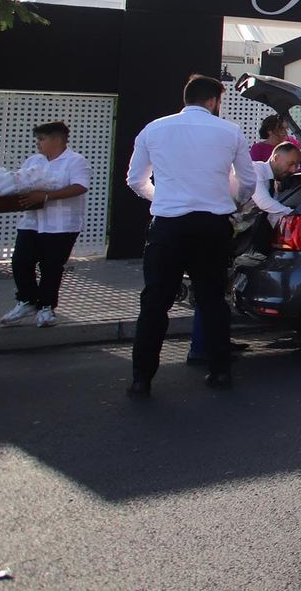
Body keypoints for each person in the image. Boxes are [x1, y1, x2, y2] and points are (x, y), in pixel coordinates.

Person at [125, 74, 254, 396]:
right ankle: (220, 371)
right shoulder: (230, 131)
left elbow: (135, 179)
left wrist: (164, 198)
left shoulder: (154, 129)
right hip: (212, 225)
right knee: (212, 301)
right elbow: (248, 182)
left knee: (155, 302)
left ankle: (142, 378)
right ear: (212, 101)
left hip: (167, 224)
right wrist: (230, 200)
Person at [188, 142, 301, 365]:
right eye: (291, 163)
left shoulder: (274, 182)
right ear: (276, 157)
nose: (294, 169)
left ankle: (218, 341)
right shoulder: (256, 171)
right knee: (210, 293)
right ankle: (201, 349)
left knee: (220, 294)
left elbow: (271, 214)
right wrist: (294, 215)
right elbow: (264, 203)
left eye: (297, 164)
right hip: (215, 233)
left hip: (229, 237)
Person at [0, 121, 90, 328]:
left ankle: (47, 307)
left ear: (57, 139)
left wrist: (47, 195)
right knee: (21, 261)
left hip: (61, 224)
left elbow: (80, 186)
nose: (38, 144)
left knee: (51, 266)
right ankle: (27, 300)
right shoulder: (34, 160)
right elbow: (21, 182)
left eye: (42, 139)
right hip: (32, 221)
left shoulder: (75, 161)